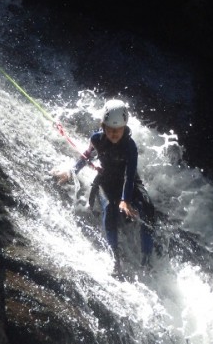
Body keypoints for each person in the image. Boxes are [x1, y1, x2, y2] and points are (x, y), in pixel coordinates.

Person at [55, 99, 156, 268]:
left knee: (148, 207)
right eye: (110, 130)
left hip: (129, 181)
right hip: (106, 180)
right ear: (103, 126)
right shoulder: (96, 138)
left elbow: (130, 175)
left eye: (118, 130)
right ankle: (114, 258)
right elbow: (86, 156)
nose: (114, 134)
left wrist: (125, 199)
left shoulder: (130, 146)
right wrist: (71, 171)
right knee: (110, 209)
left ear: (125, 128)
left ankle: (147, 258)